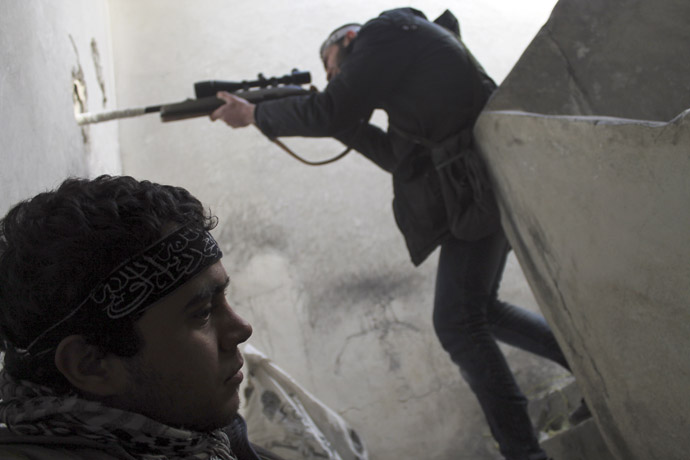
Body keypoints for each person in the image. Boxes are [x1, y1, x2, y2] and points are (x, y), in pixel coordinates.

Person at [210, 7, 572, 460]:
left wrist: (259, 114)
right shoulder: (408, 91)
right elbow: (397, 158)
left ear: (348, 41)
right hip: (477, 186)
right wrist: (338, 119)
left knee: (458, 322)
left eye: (332, 67)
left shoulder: (382, 33)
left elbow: (332, 107)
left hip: (479, 181)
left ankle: (524, 452)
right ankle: (588, 368)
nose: (334, 76)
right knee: (481, 312)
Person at [0, 175, 283, 460]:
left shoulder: (201, 440)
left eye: (223, 298)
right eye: (203, 313)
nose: (242, 329)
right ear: (92, 364)